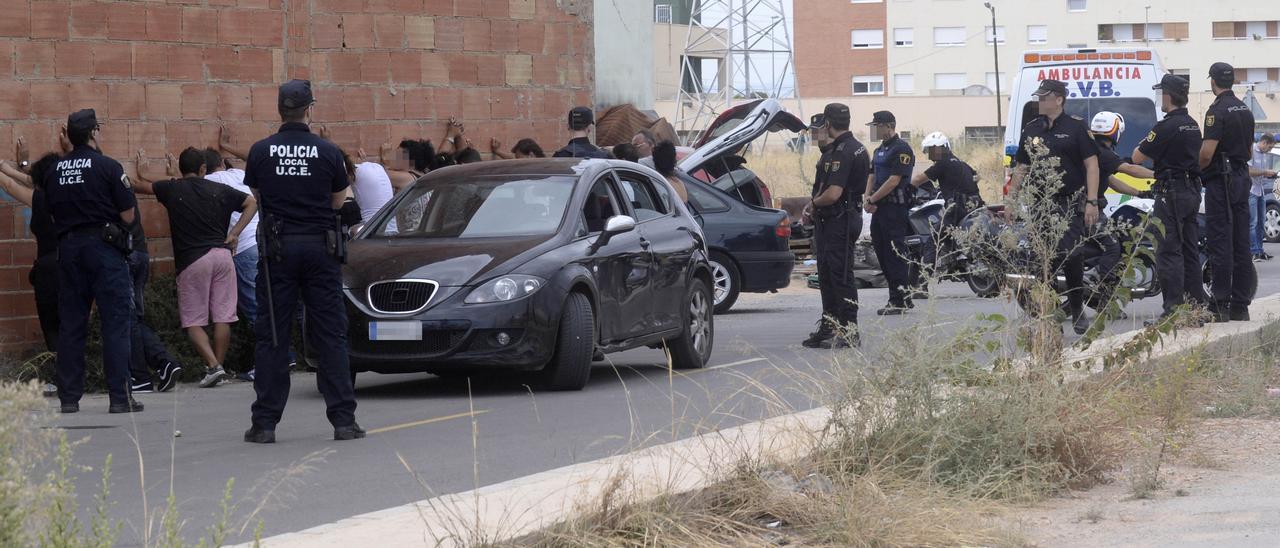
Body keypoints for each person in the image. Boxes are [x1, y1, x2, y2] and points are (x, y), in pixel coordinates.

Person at [242, 79, 363, 443]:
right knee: (330, 334)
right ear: (310, 108)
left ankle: (264, 424)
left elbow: (258, 194)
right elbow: (338, 202)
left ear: (280, 109)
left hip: (277, 250)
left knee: (273, 336)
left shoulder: (261, 151)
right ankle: (344, 421)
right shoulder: (328, 152)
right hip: (320, 249)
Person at [135, 147, 258, 388]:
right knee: (223, 316)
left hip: (193, 260)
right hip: (223, 256)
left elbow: (141, 186)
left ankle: (214, 367)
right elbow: (251, 203)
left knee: (193, 321)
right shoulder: (218, 189)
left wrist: (141, 174)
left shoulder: (173, 189)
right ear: (203, 169)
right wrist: (234, 234)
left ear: (181, 169)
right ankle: (217, 368)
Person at [44, 110, 141, 414]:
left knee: (72, 325)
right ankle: (120, 397)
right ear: (93, 133)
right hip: (104, 250)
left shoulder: (54, 170)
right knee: (115, 323)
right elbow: (128, 216)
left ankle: (69, 398)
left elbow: (49, 214)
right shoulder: (108, 167)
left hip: (69, 250)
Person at [1007, 79, 1102, 335]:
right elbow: (1022, 168)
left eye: (1044, 97)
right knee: (1042, 260)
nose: (1039, 101)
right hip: (1040, 203)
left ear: (1058, 99)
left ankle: (1076, 306)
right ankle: (1048, 313)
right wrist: (1011, 201)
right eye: (1038, 96)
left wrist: (1092, 201)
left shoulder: (1076, 128)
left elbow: (1092, 165)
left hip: (1068, 202)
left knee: (1071, 254)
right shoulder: (1031, 129)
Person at [1132, 74, 1209, 326]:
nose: (1159, 99)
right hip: (1191, 191)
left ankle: (1173, 312)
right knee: (1189, 251)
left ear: (1168, 95)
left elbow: (1136, 157)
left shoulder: (1165, 127)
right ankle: (1196, 309)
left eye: (1160, 94)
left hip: (1171, 194)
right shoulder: (1192, 124)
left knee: (1167, 252)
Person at [802, 103, 870, 349]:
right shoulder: (855, 148)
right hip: (839, 218)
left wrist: (812, 205)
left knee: (840, 276)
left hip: (839, 218)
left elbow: (832, 193)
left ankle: (849, 330)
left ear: (827, 124)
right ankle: (831, 325)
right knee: (829, 275)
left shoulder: (842, 151)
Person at [1198, 63, 1257, 322]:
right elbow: (1250, 152)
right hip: (1242, 177)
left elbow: (1207, 153)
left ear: (1213, 81)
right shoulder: (1246, 110)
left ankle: (1220, 303)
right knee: (1241, 242)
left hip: (1222, 180)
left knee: (1220, 241)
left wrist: (1196, 169)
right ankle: (1240, 306)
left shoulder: (1216, 111)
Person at [863, 110, 916, 314]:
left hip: (895, 208)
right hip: (879, 208)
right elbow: (872, 175)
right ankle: (901, 295)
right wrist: (867, 198)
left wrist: (873, 199)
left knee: (895, 254)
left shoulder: (901, 149)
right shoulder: (878, 150)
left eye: (877, 126)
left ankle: (899, 300)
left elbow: (894, 180)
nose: (874, 130)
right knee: (882, 252)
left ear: (889, 126)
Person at [909, 131, 984, 269]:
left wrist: (905, 187)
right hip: (976, 205)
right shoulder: (962, 163)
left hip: (958, 208)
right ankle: (958, 254)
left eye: (931, 150)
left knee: (934, 238)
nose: (930, 154)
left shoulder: (942, 163)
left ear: (941, 148)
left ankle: (925, 281)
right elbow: (977, 176)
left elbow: (920, 179)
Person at [1248, 134, 1277, 261]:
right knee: (1253, 222)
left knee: (1261, 222)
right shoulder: (1252, 150)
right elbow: (1248, 171)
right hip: (1252, 191)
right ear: (1264, 142)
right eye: (1269, 148)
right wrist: (1265, 172)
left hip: (1261, 190)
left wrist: (1267, 174)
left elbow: (1260, 172)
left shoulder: (1263, 155)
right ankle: (1254, 251)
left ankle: (1260, 250)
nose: (1269, 151)